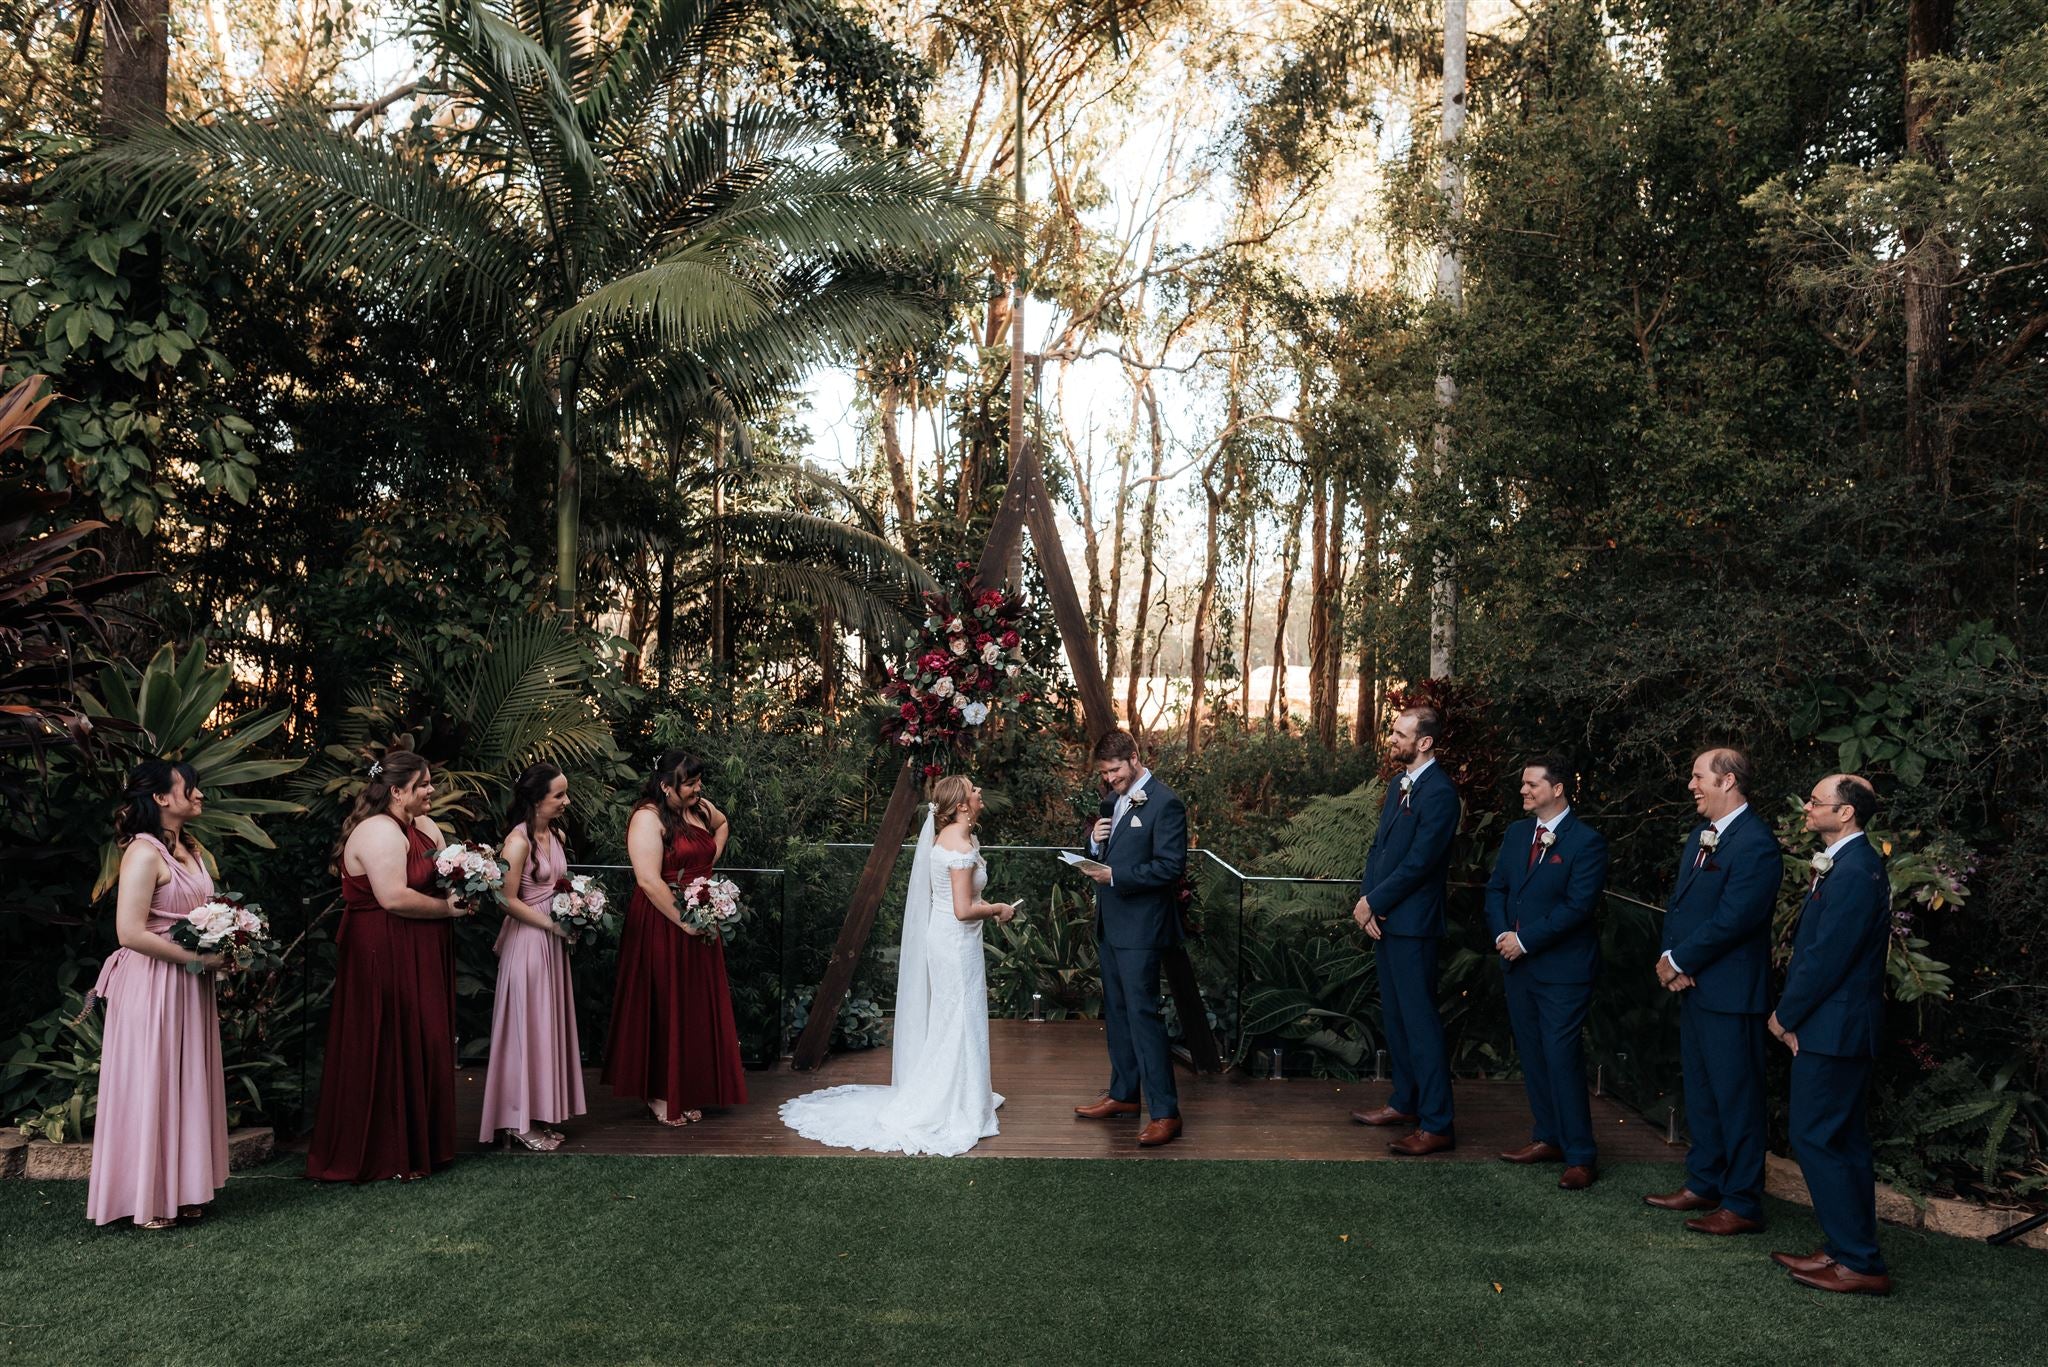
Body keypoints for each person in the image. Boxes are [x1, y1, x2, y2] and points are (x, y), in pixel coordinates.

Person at [780, 775, 1015, 1155]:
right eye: (973, 789)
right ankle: (954, 1101)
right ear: (960, 805)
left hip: (954, 940)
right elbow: (962, 910)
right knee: (958, 1016)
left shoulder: (962, 836)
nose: (979, 792)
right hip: (954, 942)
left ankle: (965, 1092)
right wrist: (999, 909)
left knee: (957, 1016)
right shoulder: (957, 842)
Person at [307, 751, 475, 1182]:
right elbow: (394, 897)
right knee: (389, 1036)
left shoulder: (425, 827)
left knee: (426, 1035)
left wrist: (476, 882)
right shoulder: (378, 831)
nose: (431, 790)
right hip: (383, 946)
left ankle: (424, 1146)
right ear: (397, 791)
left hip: (422, 942)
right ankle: (388, 1153)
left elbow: (446, 875)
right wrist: (449, 910)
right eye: (423, 784)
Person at [84, 760, 230, 1229]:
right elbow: (129, 932)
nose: (200, 796)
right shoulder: (143, 853)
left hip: (189, 984)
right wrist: (196, 961)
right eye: (192, 789)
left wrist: (227, 939)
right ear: (163, 798)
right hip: (153, 982)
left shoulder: (191, 849)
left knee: (185, 1079)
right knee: (153, 1080)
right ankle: (147, 1196)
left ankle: (185, 1189)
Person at [1643, 747, 1783, 1234]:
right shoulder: (1702, 837)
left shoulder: (1756, 843)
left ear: (1727, 780)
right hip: (1695, 987)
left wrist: (1680, 959)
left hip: (1732, 994)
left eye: (1698, 775)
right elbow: (1679, 907)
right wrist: (1670, 960)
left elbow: (1735, 919)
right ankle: (1703, 1181)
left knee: (1736, 1098)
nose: (1691, 785)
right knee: (1701, 1092)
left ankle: (1742, 1203)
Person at [1768, 774, 1894, 1295]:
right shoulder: (1844, 864)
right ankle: (1845, 1247)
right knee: (1840, 1140)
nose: (1808, 808)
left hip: (1836, 1027)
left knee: (1819, 1137)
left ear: (1845, 814)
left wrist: (1786, 1016)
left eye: (1817, 803)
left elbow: (1827, 959)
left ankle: (1859, 1262)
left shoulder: (1857, 870)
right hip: (1834, 1025)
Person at [1483, 754, 1609, 1190]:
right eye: (1523, 784)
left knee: (1561, 1057)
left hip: (1562, 971)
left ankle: (1580, 1155)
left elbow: (1578, 908)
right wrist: (1503, 933)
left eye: (1532, 784)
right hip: (1517, 965)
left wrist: (1526, 940)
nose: (1523, 790)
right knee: (1533, 1055)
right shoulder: (1518, 834)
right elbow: (1497, 887)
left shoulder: (1586, 842)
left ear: (1557, 789)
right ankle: (1547, 1137)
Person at [603, 750, 746, 1126]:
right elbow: (648, 880)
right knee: (663, 1001)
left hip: (699, 916)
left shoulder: (699, 809)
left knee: (693, 1003)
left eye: (699, 782)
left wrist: (704, 877)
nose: (699, 789)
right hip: (660, 922)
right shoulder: (647, 818)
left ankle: (687, 1086)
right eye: (691, 784)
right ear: (666, 786)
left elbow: (723, 825)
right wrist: (683, 920)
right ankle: (658, 1092)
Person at [1350, 707, 1461, 1155]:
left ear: (1426, 742)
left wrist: (1374, 901)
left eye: (1400, 733)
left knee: (1420, 1023)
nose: (1392, 738)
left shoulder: (1440, 794)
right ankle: (1405, 1101)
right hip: (1385, 923)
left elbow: (1420, 863)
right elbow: (1379, 848)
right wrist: (1366, 899)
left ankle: (1437, 1124)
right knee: (1395, 1019)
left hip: (1414, 926)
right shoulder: (1399, 784)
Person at [1072, 730, 1190, 1148]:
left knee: (1143, 1017)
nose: (1110, 780)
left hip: (1142, 928)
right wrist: (1093, 843)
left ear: (1135, 758)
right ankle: (1123, 1096)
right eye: (1104, 773)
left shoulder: (1165, 802)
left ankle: (1165, 1112)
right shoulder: (1112, 800)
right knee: (1118, 1014)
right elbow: (1107, 854)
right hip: (1111, 924)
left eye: (1115, 770)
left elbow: (1170, 867)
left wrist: (1115, 876)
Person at [478, 763, 587, 1151]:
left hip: (552, 940)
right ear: (536, 798)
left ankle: (536, 1113)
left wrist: (575, 910)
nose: (566, 801)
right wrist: (551, 925)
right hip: (529, 941)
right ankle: (516, 1121)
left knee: (545, 1027)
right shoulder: (519, 841)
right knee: (526, 1028)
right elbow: (506, 900)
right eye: (559, 795)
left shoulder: (553, 833)